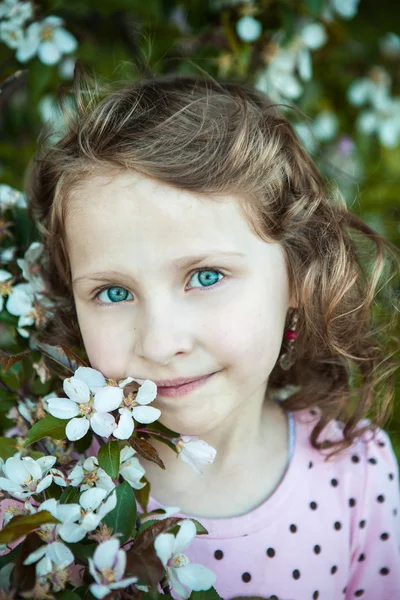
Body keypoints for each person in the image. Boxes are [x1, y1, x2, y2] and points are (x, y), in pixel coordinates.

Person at [3, 63, 400, 599]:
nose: (162, 343)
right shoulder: (47, 495)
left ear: (296, 278)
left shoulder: (357, 471)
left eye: (205, 276)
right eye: (114, 292)